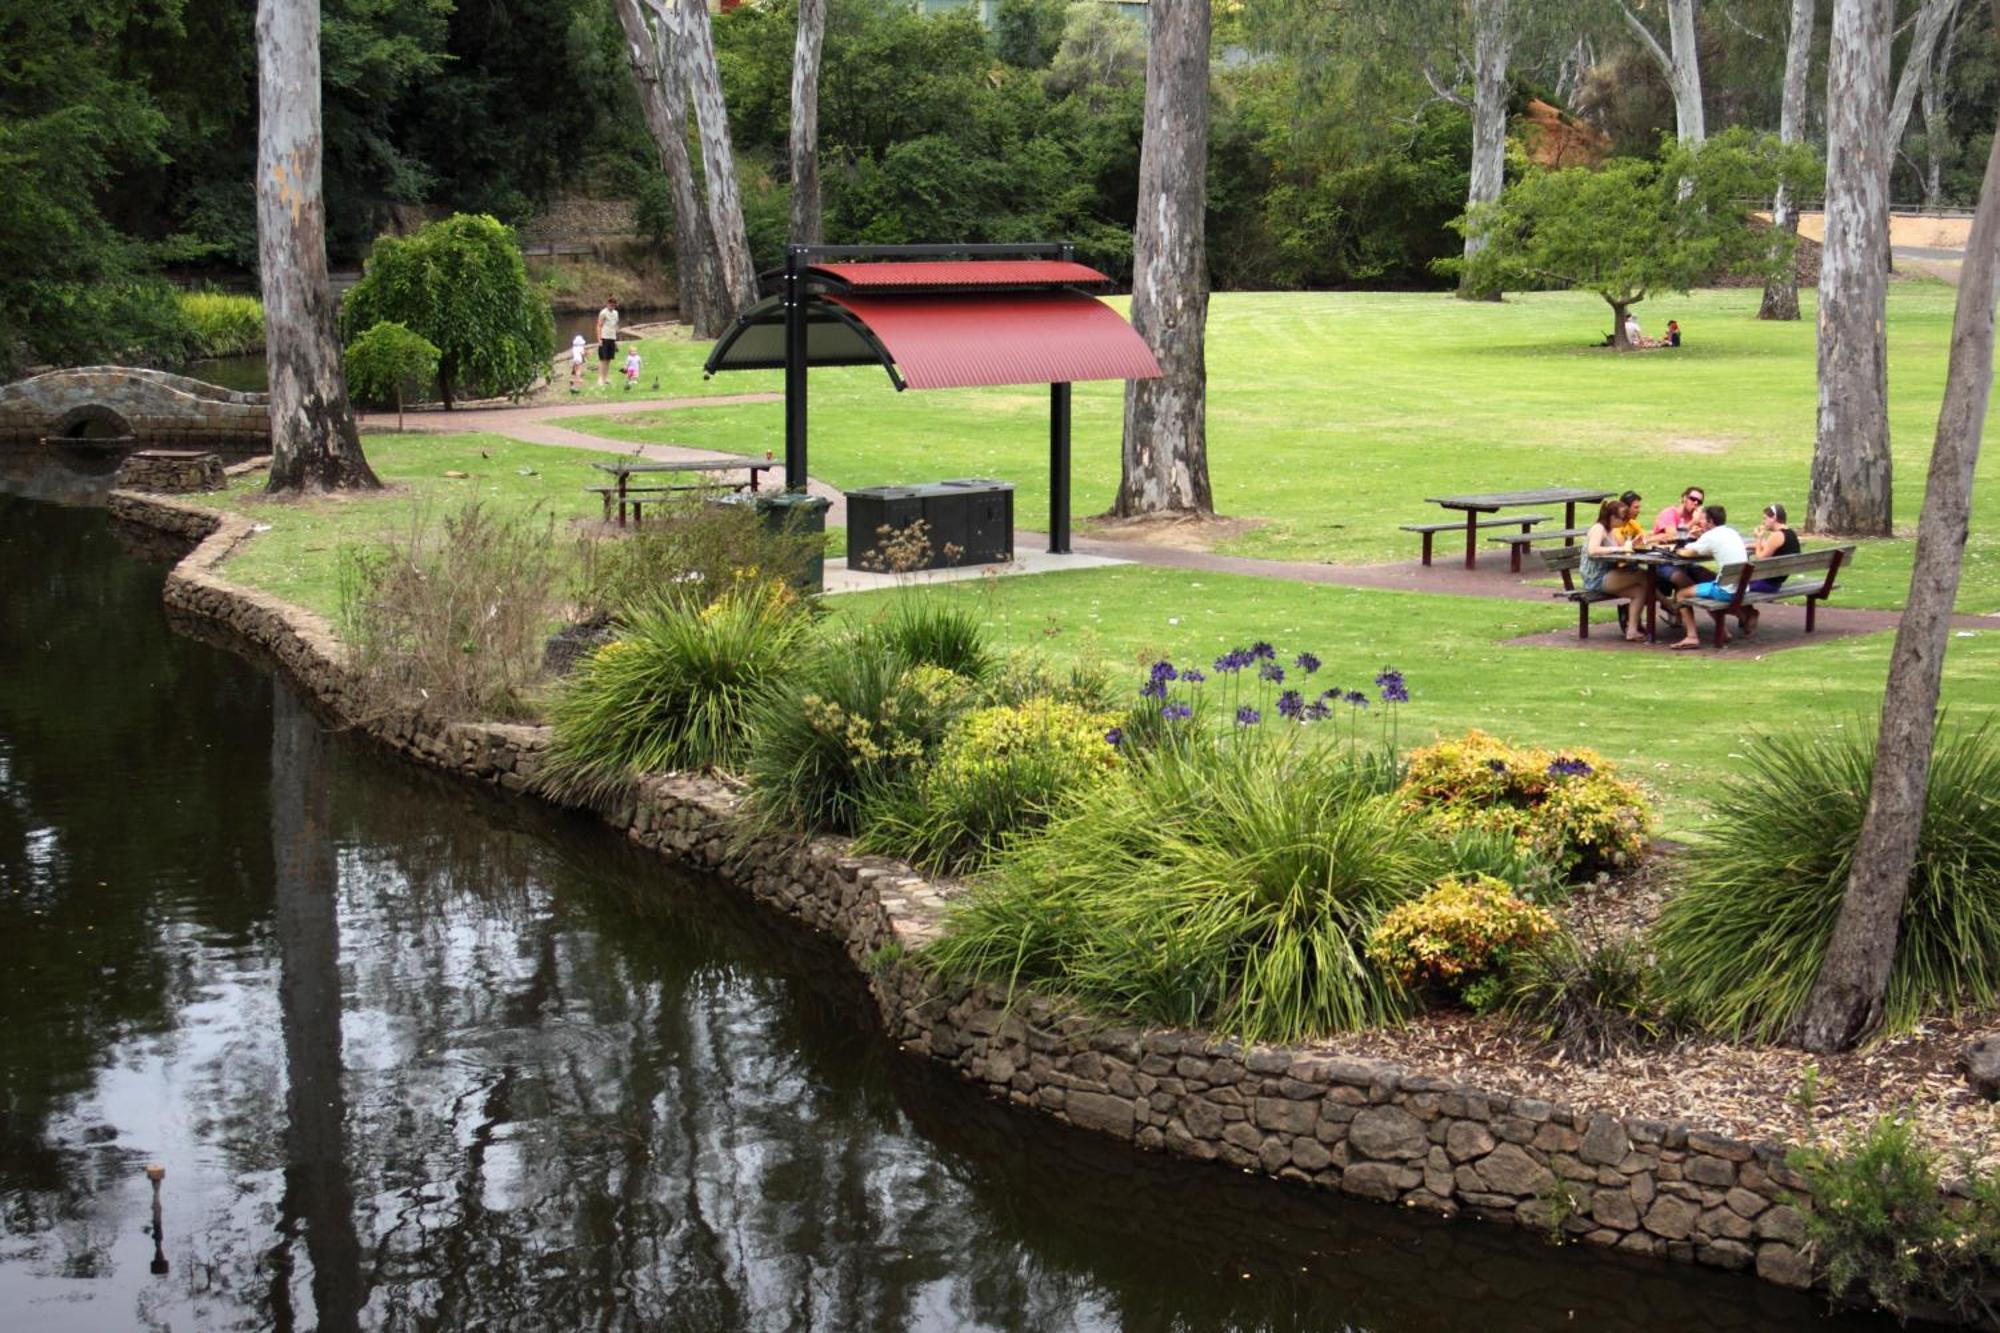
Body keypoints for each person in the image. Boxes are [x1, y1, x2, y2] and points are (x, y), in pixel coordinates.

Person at [1669, 504, 1750, 649]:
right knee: (1706, 587)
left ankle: (1691, 637)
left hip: (1727, 592)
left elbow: (1687, 552)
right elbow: (1712, 547)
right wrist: (1702, 538)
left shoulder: (1711, 536)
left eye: (1703, 520)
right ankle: (1723, 632)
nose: (1701, 523)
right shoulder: (1731, 532)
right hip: (1742, 589)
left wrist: (1681, 547)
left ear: (1710, 521)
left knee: (1681, 594)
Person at [1582, 497, 1652, 643]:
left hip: (1607, 574)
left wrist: (1631, 544)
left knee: (1640, 591)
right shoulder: (1598, 528)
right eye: (1622, 519)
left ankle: (1632, 631)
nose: (1624, 522)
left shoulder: (1611, 530)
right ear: (1613, 517)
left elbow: (1619, 549)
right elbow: (1592, 550)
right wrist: (1618, 548)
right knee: (1643, 576)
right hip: (1596, 578)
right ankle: (1668, 605)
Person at [1737, 502, 1801, 638]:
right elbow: (1770, 548)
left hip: (1768, 584)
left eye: (1765, 518)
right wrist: (1756, 545)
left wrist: (1759, 538)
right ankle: (1746, 616)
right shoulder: (1790, 534)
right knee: (1738, 584)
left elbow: (1760, 557)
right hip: (1777, 580)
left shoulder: (1776, 536)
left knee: (1732, 588)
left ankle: (1749, 615)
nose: (1763, 521)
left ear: (1774, 518)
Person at [594, 296, 621, 388]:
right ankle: (600, 379)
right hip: (604, 337)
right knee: (603, 359)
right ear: (607, 304)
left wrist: (616, 338)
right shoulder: (603, 313)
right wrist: (599, 339)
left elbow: (616, 325)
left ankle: (605, 378)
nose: (611, 306)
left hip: (612, 338)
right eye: (610, 304)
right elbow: (599, 326)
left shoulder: (616, 313)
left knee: (609, 359)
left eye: (613, 305)